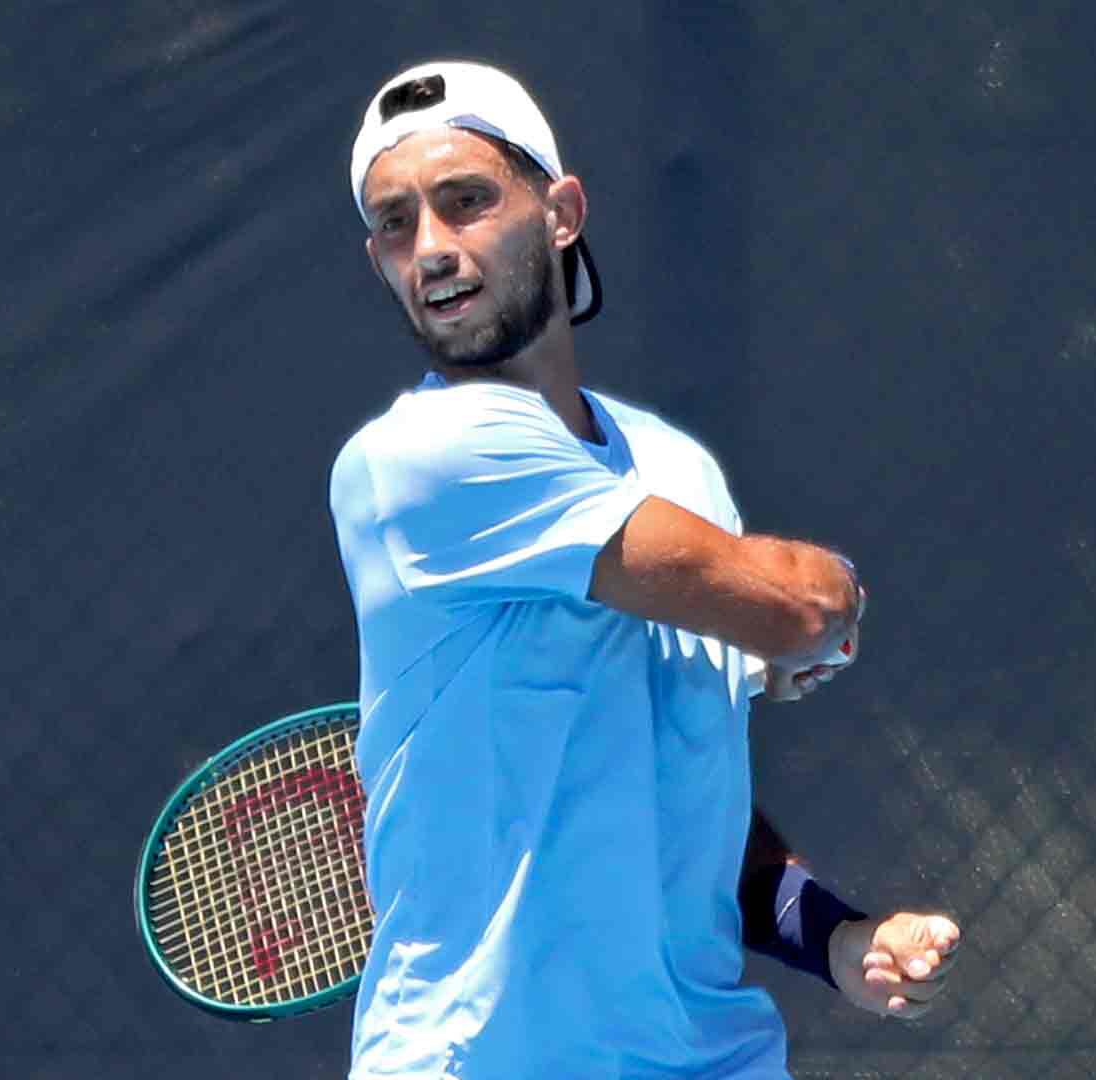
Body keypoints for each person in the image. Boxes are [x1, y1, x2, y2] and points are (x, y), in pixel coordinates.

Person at [329, 60, 959, 1078]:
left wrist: (835, 939)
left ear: (562, 211)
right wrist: (825, 607)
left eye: (466, 202)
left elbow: (683, 799)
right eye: (396, 224)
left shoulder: (679, 473)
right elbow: (798, 607)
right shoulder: (423, 461)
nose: (432, 250)